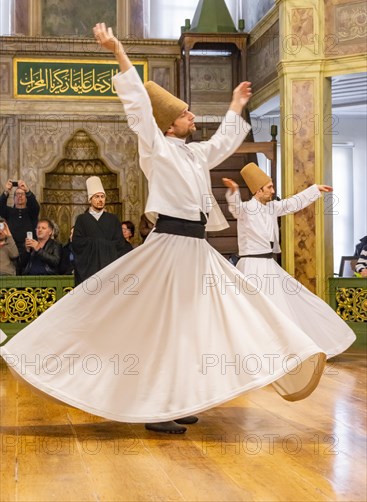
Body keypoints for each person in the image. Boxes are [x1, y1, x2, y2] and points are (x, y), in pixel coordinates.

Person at [0, 23, 354, 436]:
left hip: (195, 248)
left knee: (197, 324)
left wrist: (236, 105)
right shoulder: (155, 146)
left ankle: (182, 396)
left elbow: (222, 144)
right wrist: (118, 50)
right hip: (169, 246)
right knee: (164, 326)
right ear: (169, 124)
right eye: (185, 113)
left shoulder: (193, 153)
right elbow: (136, 105)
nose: (191, 116)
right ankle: (153, 404)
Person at [223, 163, 356, 356]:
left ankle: (290, 350)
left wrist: (314, 189)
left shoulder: (272, 208)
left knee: (293, 302)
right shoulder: (245, 209)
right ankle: (255, 353)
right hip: (251, 266)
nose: (273, 190)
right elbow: (234, 208)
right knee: (254, 309)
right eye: (269, 187)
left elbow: (292, 203)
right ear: (258, 190)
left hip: (269, 265)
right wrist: (233, 191)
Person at [72, 176, 132, 285]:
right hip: (89, 272)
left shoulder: (113, 219)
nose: (100, 200)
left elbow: (119, 244)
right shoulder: (82, 219)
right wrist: (98, 243)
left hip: (109, 271)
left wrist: (99, 244)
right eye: (97, 197)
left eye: (103, 197)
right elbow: (77, 244)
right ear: (90, 199)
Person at [0, 180, 40, 262]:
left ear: (26, 198)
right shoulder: (9, 212)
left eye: (22, 194)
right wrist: (6, 191)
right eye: (17, 194)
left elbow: (35, 206)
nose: (20, 196)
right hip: (11, 248)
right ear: (14, 198)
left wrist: (27, 190)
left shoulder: (32, 212)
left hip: (29, 249)